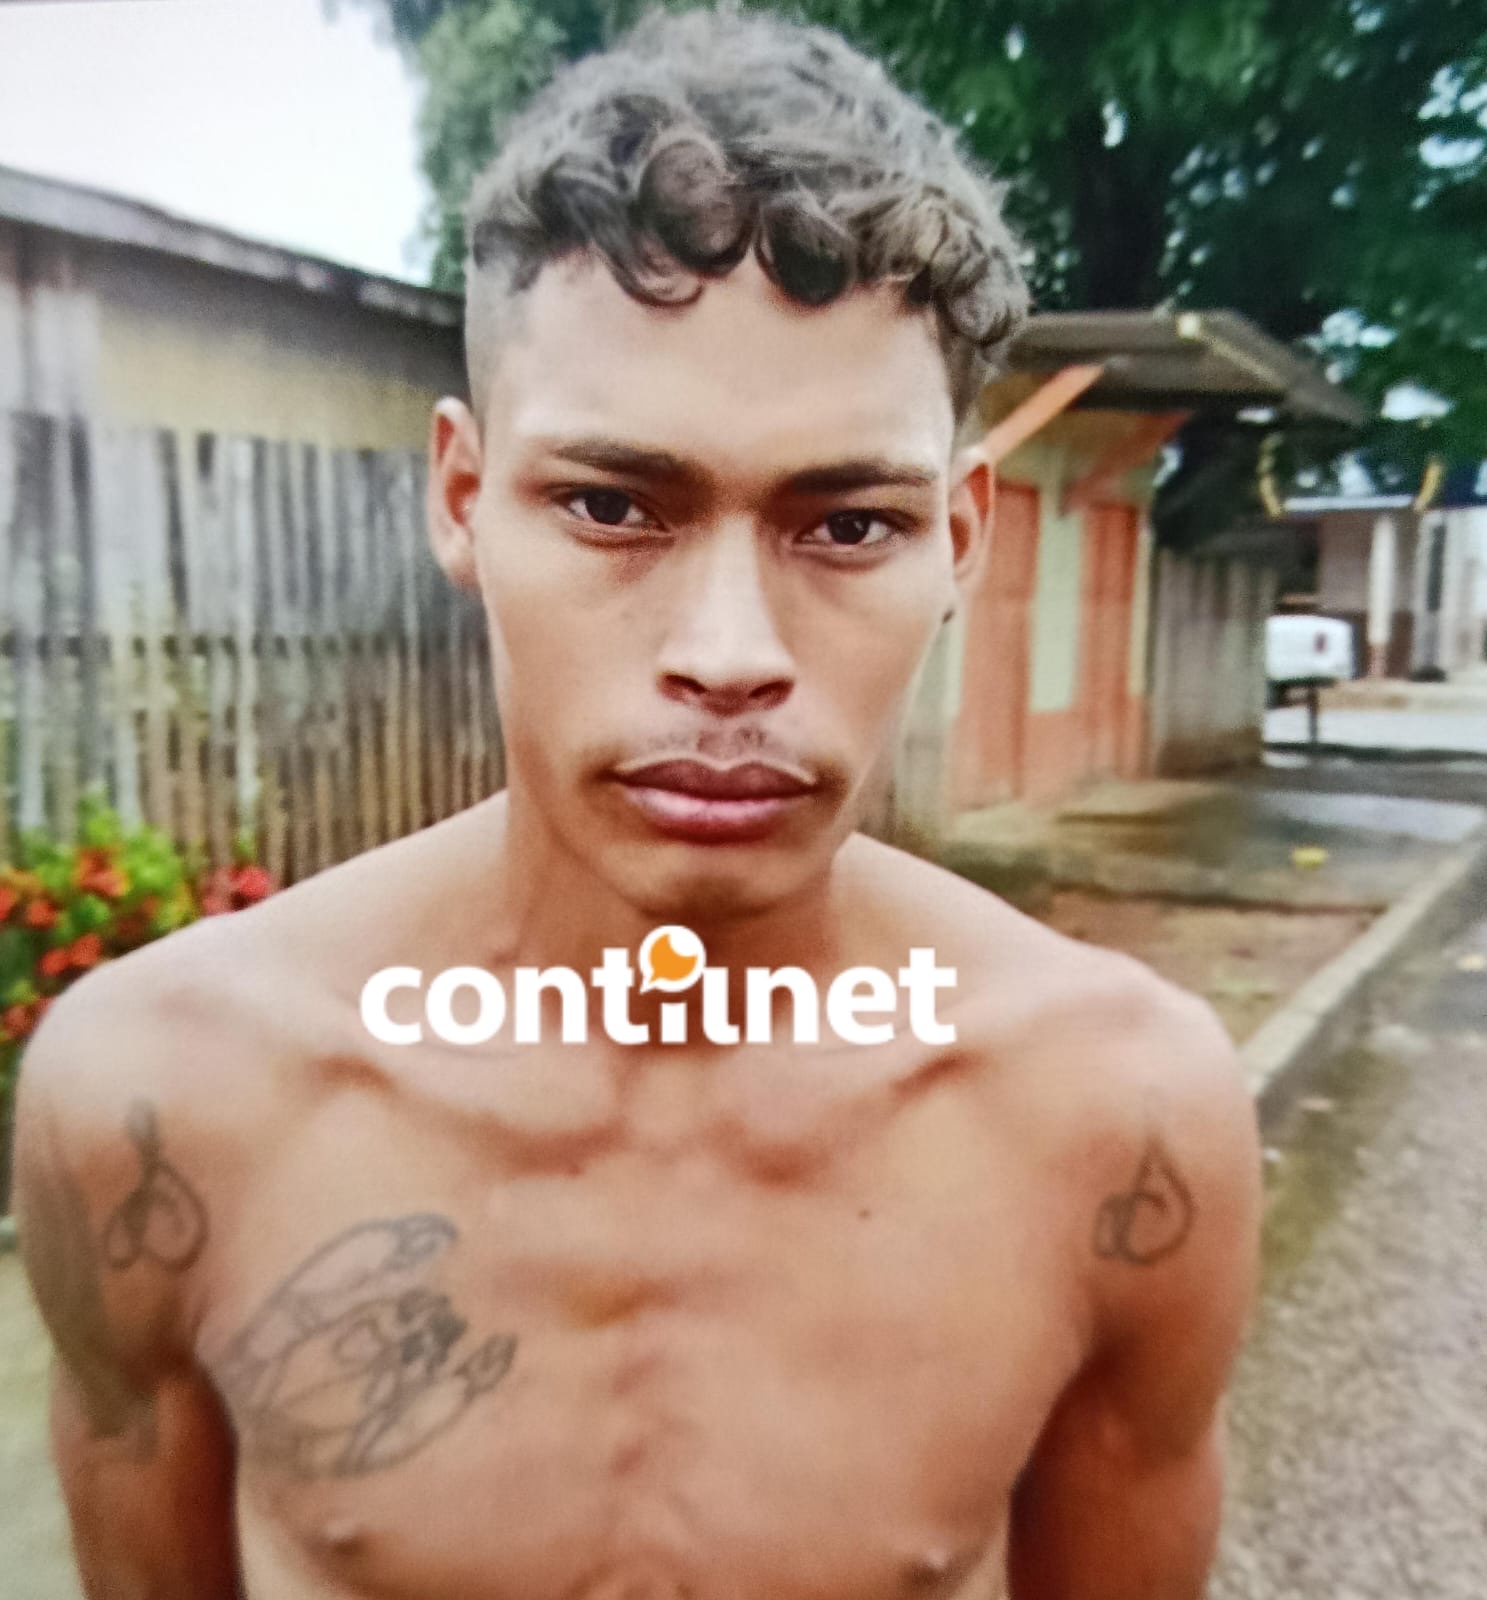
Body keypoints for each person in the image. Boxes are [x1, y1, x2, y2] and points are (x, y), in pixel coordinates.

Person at [13, 6, 1262, 1597]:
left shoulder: (1124, 1127)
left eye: (847, 525)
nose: (729, 656)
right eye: (612, 503)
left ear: (960, 537)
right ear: (464, 499)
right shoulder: (158, 1106)